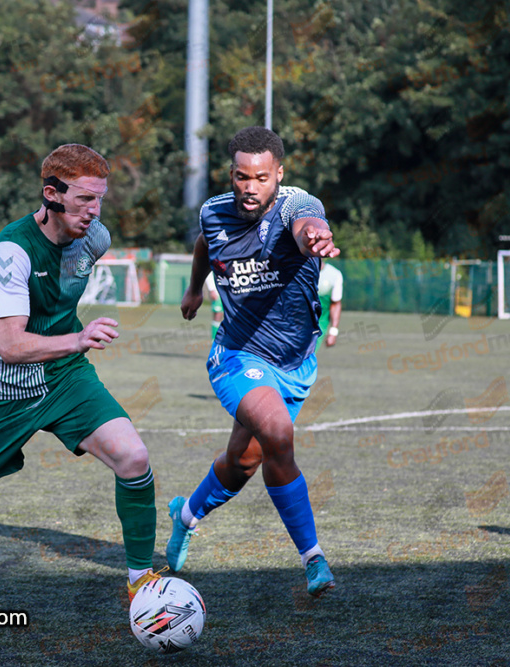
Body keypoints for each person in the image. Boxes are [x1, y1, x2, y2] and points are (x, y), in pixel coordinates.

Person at [0, 144, 160, 610]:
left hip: (64, 377)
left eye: (100, 199)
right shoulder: (11, 251)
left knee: (133, 457)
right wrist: (79, 338)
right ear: (51, 194)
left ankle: (142, 581)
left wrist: (71, 345)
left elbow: (68, 282)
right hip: (0, 392)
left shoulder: (95, 239)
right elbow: (12, 346)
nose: (94, 212)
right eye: (84, 200)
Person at [167, 126, 339, 597]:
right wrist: (193, 287)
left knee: (243, 463)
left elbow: (307, 230)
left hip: (296, 363)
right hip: (237, 355)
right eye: (242, 176)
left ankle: (185, 515)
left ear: (278, 175)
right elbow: (205, 243)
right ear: (231, 175)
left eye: (261, 177)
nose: (250, 186)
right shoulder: (214, 212)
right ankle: (313, 558)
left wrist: (317, 237)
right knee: (279, 434)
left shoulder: (297, 206)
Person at [316, 258, 343, 350]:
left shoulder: (334, 274)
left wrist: (333, 332)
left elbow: (335, 304)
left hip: (318, 325)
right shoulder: (297, 271)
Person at [203, 271, 223, 340]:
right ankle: (214, 338)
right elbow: (208, 273)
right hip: (217, 290)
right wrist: (212, 289)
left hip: (228, 289)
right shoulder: (215, 261)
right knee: (218, 314)